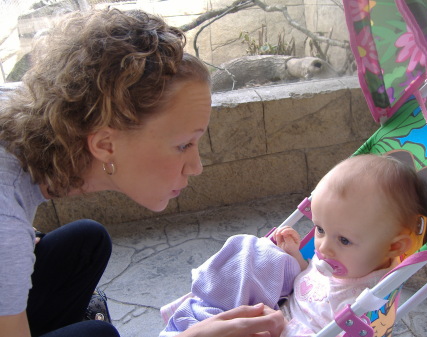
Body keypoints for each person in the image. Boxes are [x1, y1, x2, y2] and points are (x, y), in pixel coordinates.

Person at [0, 8, 285, 337]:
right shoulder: (6, 227)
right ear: (106, 144)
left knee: (85, 243)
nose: (196, 166)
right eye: (183, 145)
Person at [160, 154, 427, 337]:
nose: (323, 247)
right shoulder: (346, 261)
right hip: (279, 311)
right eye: (321, 229)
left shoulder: (369, 296)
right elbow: (309, 281)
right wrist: (296, 259)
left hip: (294, 329)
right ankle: (204, 306)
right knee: (251, 251)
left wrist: (282, 328)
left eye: (343, 240)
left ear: (394, 247)